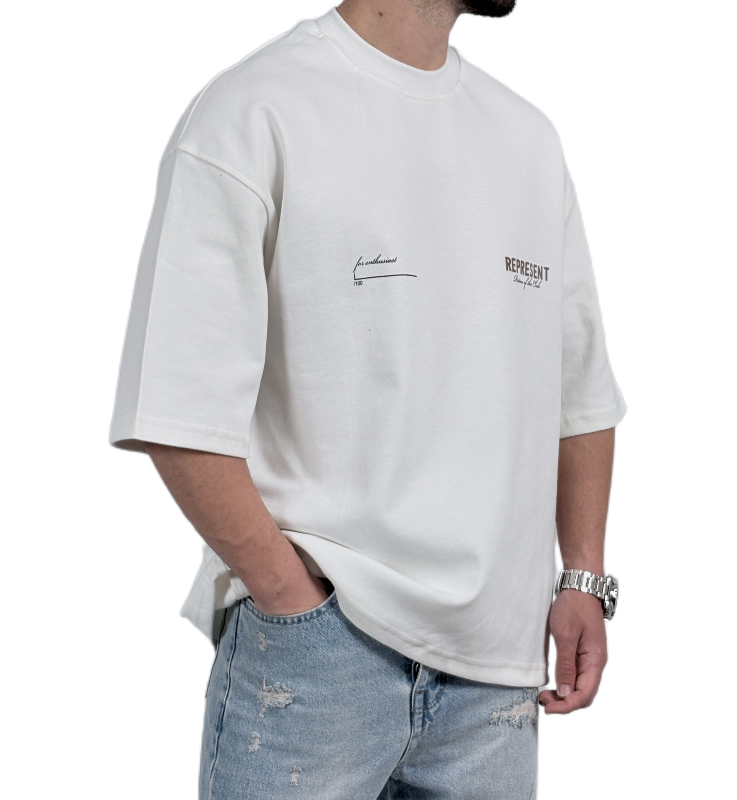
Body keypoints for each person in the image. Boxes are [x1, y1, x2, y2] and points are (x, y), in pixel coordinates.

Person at [108, 1, 627, 796]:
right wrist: (289, 597)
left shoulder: (526, 136)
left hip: (500, 671)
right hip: (320, 654)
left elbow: (580, 389)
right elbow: (176, 404)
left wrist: (582, 577)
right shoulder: (255, 108)